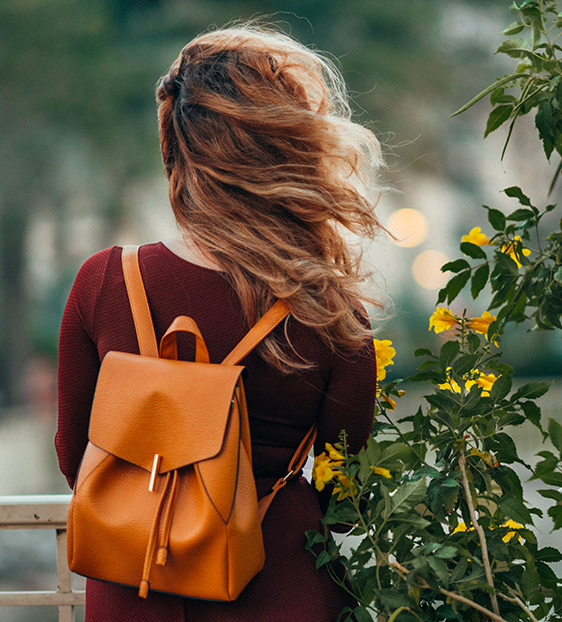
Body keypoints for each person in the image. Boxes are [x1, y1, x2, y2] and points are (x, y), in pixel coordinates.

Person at [56, 22, 384, 622]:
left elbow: (76, 454)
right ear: (293, 151)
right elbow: (346, 495)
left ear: (176, 151)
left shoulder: (104, 281)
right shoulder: (332, 310)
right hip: (279, 584)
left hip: (138, 582)